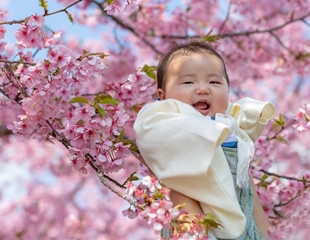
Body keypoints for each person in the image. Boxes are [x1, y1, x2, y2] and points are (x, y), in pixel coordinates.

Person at [134, 41, 276, 239]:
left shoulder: (229, 123)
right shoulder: (165, 118)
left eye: (214, 82)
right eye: (188, 82)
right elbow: (152, 134)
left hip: (246, 225)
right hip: (196, 223)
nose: (203, 89)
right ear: (162, 96)